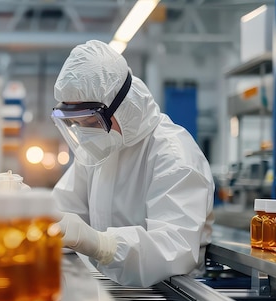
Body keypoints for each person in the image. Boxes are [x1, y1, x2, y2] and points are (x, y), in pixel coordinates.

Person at [51, 40, 215, 287]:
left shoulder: (172, 154)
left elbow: (174, 248)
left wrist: (101, 244)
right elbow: (65, 208)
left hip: (168, 299)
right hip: (111, 289)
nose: (85, 134)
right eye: (77, 124)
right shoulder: (100, 148)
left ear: (124, 107)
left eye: (92, 123)